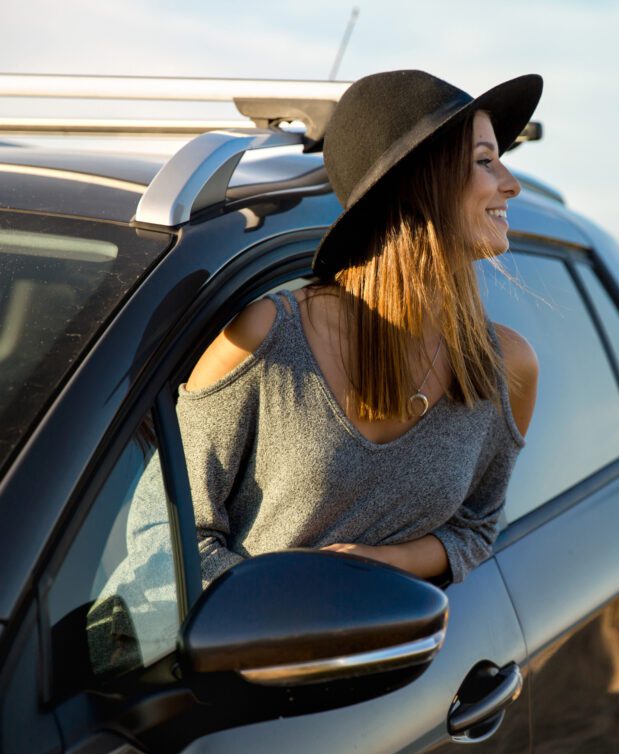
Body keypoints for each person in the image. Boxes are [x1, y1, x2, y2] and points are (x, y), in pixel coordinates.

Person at [175, 70, 543, 591]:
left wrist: (383, 562)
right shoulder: (263, 344)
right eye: (485, 161)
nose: (511, 183)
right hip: (236, 662)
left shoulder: (505, 367)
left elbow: (476, 528)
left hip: (411, 668)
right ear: (419, 185)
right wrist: (298, 611)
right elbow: (171, 545)